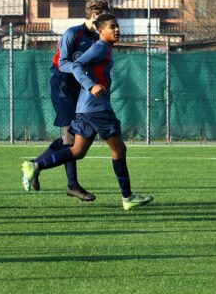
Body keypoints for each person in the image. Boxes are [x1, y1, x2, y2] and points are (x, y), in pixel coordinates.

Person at [21, 14, 154, 210]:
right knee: (119, 150)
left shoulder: (105, 48)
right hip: (97, 108)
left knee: (77, 151)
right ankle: (128, 198)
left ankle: (36, 165)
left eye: (117, 26)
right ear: (100, 31)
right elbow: (76, 65)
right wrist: (91, 85)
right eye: (112, 27)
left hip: (86, 108)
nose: (117, 30)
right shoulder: (100, 47)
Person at [30, 0, 110, 202]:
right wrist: (79, 69)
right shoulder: (73, 34)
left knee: (77, 137)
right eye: (104, 15)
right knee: (71, 139)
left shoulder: (99, 39)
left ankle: (36, 164)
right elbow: (63, 63)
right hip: (63, 85)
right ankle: (72, 185)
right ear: (94, 15)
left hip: (82, 88)